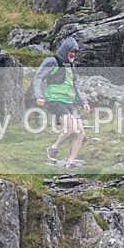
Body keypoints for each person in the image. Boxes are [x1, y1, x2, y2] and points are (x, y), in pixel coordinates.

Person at [33, 37, 90, 170]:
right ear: (65, 50)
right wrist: (39, 96)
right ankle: (53, 148)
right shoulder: (52, 62)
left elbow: (76, 85)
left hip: (70, 102)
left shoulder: (71, 66)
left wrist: (84, 101)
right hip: (55, 101)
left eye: (75, 52)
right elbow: (38, 78)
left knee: (80, 132)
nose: (73, 54)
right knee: (71, 128)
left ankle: (70, 161)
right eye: (71, 51)